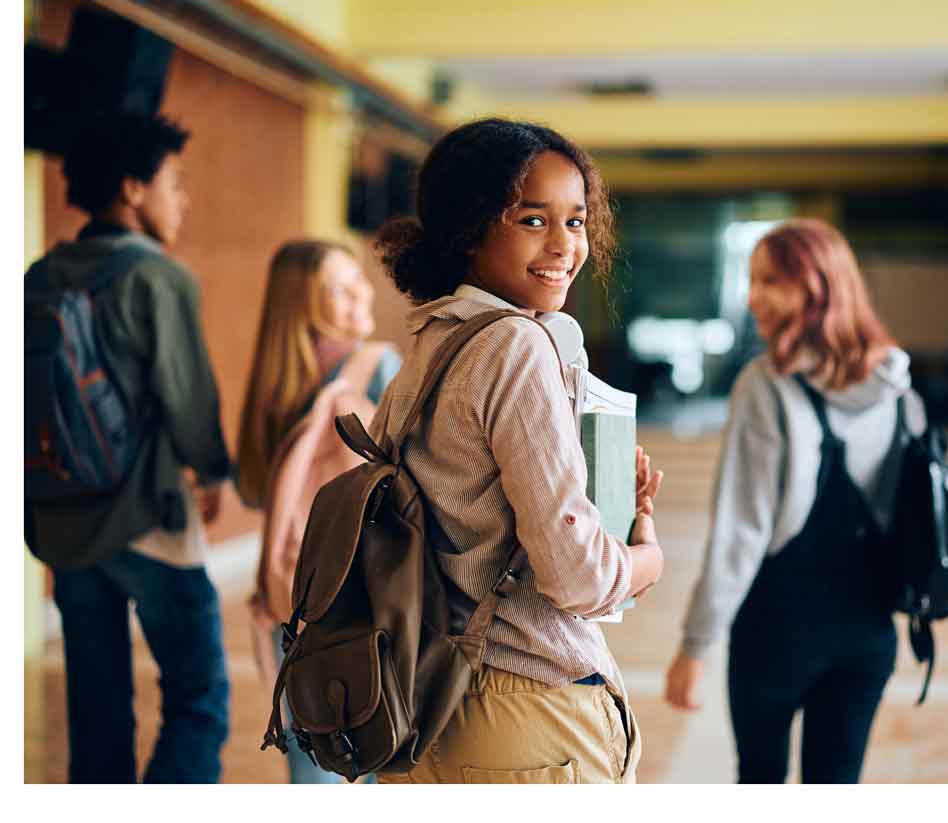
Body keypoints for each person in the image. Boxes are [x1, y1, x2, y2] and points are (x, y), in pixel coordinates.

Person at [367, 117, 664, 784]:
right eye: (533, 220)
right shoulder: (517, 346)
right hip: (525, 712)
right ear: (470, 228)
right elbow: (577, 577)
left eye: (577, 221)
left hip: (425, 702)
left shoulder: (432, 342)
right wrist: (645, 556)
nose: (564, 245)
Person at [664, 218, 926, 783]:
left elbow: (742, 529)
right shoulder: (899, 385)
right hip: (869, 632)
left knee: (760, 782)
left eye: (769, 281)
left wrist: (695, 646)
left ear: (814, 288)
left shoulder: (766, 385)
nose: (751, 296)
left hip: (777, 631)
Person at [26, 112, 232, 783]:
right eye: (174, 182)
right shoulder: (158, 277)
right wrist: (215, 473)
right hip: (149, 517)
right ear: (132, 189)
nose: (183, 199)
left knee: (98, 712)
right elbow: (188, 398)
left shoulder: (40, 275)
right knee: (199, 704)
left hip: (62, 520)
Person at [234, 239, 402, 784]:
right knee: (364, 759)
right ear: (301, 301)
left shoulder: (275, 390)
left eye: (359, 281)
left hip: (292, 604)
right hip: (360, 604)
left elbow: (255, 490)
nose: (360, 294)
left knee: (315, 769)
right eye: (339, 286)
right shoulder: (378, 368)